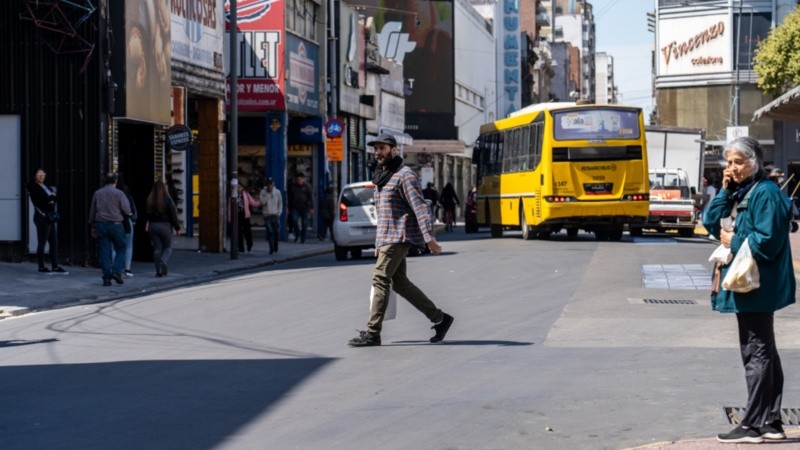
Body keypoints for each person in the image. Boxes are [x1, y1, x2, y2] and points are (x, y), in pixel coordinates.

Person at [703, 136, 795, 444]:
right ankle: (770, 421)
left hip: (758, 285)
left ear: (753, 163)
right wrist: (725, 191)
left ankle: (754, 423)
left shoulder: (765, 193)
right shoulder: (742, 191)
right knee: (763, 349)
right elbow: (708, 220)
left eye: (738, 162)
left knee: (756, 350)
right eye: (729, 162)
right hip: (748, 284)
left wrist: (734, 239)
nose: (732, 168)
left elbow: (767, 240)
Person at [348, 133, 453, 347]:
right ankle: (440, 319)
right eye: (376, 148)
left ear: (393, 150)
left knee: (380, 278)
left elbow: (420, 206)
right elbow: (383, 213)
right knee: (400, 283)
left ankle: (372, 332)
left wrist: (429, 238)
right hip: (387, 237)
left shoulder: (405, 175)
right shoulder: (381, 176)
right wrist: (378, 243)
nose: (378, 152)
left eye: (382, 148)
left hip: (398, 236)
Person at [88, 172, 132, 286]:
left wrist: (92, 225)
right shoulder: (119, 193)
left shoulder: (97, 193)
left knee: (104, 251)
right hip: (116, 225)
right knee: (121, 247)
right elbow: (127, 210)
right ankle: (117, 271)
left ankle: (106, 278)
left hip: (101, 225)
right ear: (115, 181)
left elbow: (92, 211)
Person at [27, 168, 67, 274]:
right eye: (39, 174)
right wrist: (50, 198)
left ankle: (55, 266)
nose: (41, 176)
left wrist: (51, 198)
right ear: (35, 175)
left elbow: (56, 198)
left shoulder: (46, 186)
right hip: (42, 217)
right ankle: (41, 266)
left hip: (50, 217)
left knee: (54, 242)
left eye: (43, 174)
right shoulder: (32, 186)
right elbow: (41, 199)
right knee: (42, 242)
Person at [145, 181, 181, 277]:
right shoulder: (168, 200)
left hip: (153, 226)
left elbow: (147, 215)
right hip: (165, 226)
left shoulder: (150, 200)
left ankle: (158, 271)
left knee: (157, 249)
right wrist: (177, 228)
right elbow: (173, 216)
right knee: (168, 247)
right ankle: (163, 261)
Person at [112, 174, 137, 277]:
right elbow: (131, 210)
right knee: (128, 246)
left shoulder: (111, 194)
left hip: (114, 222)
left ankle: (115, 267)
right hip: (126, 222)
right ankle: (127, 269)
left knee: (114, 247)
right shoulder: (126, 194)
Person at [228, 184, 260, 253]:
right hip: (237, 217)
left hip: (245, 216)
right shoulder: (233, 196)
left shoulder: (246, 195)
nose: (238, 188)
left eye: (239, 187)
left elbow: (252, 202)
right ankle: (241, 248)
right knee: (239, 233)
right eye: (237, 187)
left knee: (247, 232)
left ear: (242, 188)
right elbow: (230, 208)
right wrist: (230, 219)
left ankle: (249, 244)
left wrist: (260, 203)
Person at [287, 172, 314, 243]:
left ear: (303, 179)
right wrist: (289, 208)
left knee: (304, 224)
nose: (299, 181)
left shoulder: (307, 187)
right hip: (295, 208)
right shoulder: (293, 187)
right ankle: (297, 233)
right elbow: (290, 198)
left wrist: (311, 207)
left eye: (300, 179)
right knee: (294, 220)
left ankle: (303, 239)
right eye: (298, 179)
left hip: (304, 208)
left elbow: (310, 198)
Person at [259, 177, 283, 255]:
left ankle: (275, 246)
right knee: (270, 232)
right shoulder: (263, 192)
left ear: (273, 184)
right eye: (268, 185)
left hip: (275, 215)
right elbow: (262, 202)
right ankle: (271, 248)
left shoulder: (277, 192)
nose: (270, 186)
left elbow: (280, 203)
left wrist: (279, 213)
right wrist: (267, 194)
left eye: (271, 184)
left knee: (276, 232)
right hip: (267, 215)